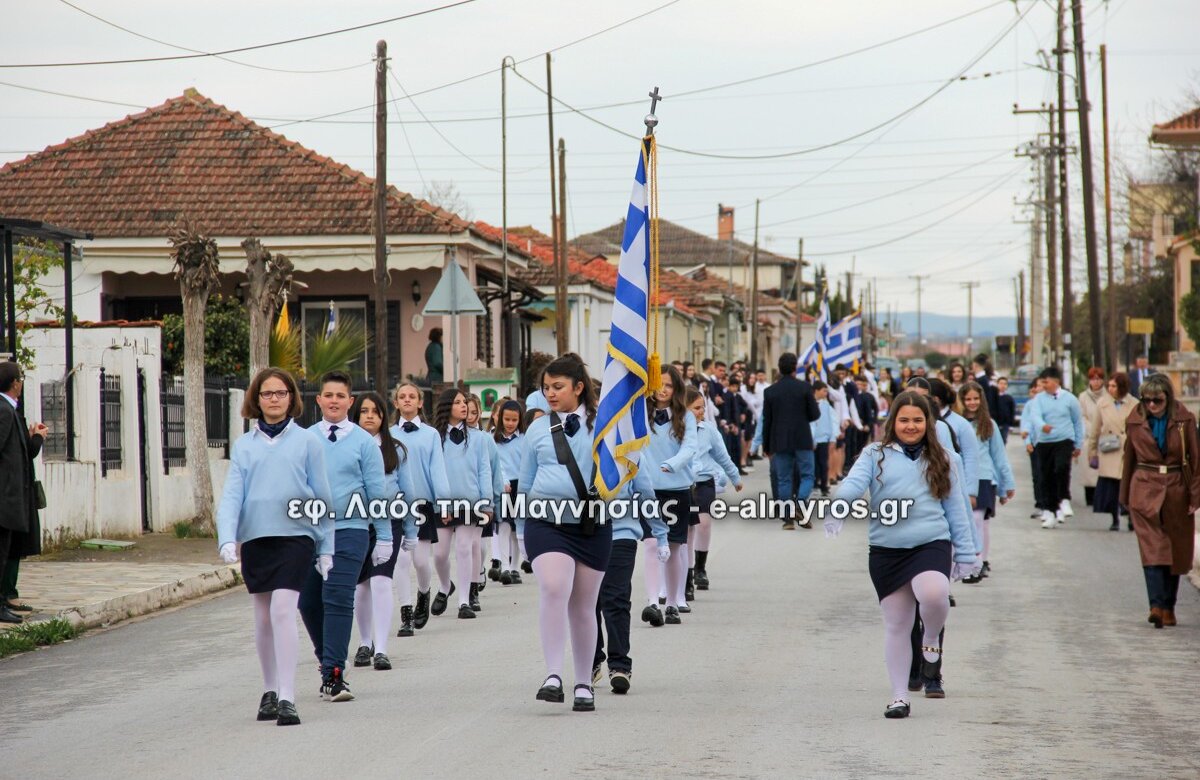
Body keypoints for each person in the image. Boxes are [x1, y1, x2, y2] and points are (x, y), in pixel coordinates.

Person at [831, 391, 978, 719]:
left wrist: (967, 554)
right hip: (887, 551)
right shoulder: (874, 454)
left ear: (929, 423)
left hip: (931, 543)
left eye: (917, 420)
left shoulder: (945, 459)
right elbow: (853, 484)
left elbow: (958, 512)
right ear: (892, 422)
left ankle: (930, 637)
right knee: (897, 624)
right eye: (904, 420)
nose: (911, 426)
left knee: (935, 594)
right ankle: (899, 696)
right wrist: (838, 507)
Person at [217, 367, 333, 726]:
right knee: (263, 617)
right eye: (267, 394)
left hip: (296, 537)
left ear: (291, 398)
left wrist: (326, 545)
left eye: (281, 393)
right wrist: (226, 537)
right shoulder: (244, 446)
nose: (274, 399)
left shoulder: (308, 442)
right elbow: (233, 494)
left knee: (284, 609)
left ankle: (287, 696)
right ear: (256, 399)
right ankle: (269, 690)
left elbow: (322, 495)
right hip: (256, 539)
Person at [520, 354, 613, 711]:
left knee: (584, 607)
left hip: (593, 522)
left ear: (579, 387)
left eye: (558, 387)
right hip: (546, 521)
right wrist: (517, 531)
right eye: (546, 388)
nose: (550, 394)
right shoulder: (537, 430)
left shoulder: (605, 425)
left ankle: (583, 683)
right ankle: (553, 675)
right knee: (555, 587)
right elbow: (526, 481)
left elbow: (624, 468)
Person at [298, 371, 391, 703]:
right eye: (328, 395)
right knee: (308, 601)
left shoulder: (364, 442)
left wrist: (383, 536)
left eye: (341, 396)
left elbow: (377, 490)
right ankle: (328, 655)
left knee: (337, 596)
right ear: (319, 400)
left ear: (350, 402)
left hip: (351, 529)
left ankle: (334, 676)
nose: (334, 401)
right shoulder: (304, 438)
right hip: (310, 530)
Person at [1118, 374, 1200, 628]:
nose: (1151, 405)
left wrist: (1195, 496)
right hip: (1144, 487)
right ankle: (1155, 605)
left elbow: (1196, 460)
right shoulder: (1134, 420)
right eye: (1147, 400)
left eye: (1157, 400)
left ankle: (1168, 607)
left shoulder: (1185, 420)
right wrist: (1124, 496)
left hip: (1176, 488)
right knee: (1152, 548)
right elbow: (1128, 458)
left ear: (1168, 397)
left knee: (1174, 549)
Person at [351, 392, 417, 672]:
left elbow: (409, 491)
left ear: (383, 417)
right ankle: (364, 642)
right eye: (364, 411)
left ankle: (381, 648)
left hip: (389, 522)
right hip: (354, 524)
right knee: (361, 586)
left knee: (380, 581)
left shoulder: (396, 449)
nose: (369, 416)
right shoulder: (346, 445)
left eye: (375, 412)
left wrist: (412, 529)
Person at [594, 459, 668, 695]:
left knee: (615, 597)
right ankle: (592, 658)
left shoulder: (631, 451)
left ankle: (619, 666)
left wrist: (661, 534)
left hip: (621, 532)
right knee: (588, 601)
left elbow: (646, 494)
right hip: (584, 535)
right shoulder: (579, 443)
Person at [390, 381, 451, 632]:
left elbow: (438, 470)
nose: (406, 400)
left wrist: (444, 503)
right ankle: (405, 616)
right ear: (395, 403)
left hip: (423, 505)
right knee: (400, 562)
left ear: (420, 402)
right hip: (396, 505)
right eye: (402, 396)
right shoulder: (388, 434)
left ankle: (424, 593)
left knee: (421, 561)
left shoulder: (431, 435)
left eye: (411, 396)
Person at [431, 388, 493, 619]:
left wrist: (487, 504)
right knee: (440, 554)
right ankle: (446, 586)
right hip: (442, 503)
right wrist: (442, 503)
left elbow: (484, 471)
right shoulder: (434, 437)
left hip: (471, 502)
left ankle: (464, 601)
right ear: (447, 407)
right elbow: (433, 472)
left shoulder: (479, 439)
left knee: (465, 548)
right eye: (458, 402)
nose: (464, 406)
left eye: (465, 402)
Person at [644, 365, 699, 624]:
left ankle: (675, 600)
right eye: (658, 384)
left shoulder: (685, 416)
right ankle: (653, 601)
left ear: (676, 389)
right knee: (652, 544)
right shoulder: (640, 412)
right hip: (647, 489)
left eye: (668, 385)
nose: (662, 390)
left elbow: (690, 448)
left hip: (676, 487)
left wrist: (673, 464)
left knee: (675, 547)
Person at [0, 363, 46, 625]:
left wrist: (33, 438)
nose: (22, 384)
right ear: (15, 383)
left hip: (13, 496)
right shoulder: (4, 411)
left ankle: (6, 598)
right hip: (6, 496)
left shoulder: (10, 409)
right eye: (21, 379)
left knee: (9, 549)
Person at [686, 388, 743, 595]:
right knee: (686, 530)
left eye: (703, 407)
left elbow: (722, 455)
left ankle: (700, 568)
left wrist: (735, 477)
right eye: (697, 408)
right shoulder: (674, 430)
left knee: (703, 523)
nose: (702, 411)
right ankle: (686, 574)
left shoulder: (708, 430)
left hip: (704, 482)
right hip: (682, 485)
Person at [957, 382, 1014, 583]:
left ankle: (978, 564)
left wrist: (1007, 485)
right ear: (961, 401)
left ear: (981, 401)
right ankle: (968, 562)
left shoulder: (988, 424)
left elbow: (999, 456)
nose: (972, 403)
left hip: (984, 478)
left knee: (978, 520)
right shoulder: (955, 423)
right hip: (961, 478)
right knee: (966, 523)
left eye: (975, 399)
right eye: (968, 399)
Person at [762, 352, 821, 530]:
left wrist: (766, 446)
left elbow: (768, 421)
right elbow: (815, 414)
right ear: (795, 367)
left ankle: (788, 519)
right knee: (808, 475)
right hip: (802, 438)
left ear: (779, 368)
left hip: (779, 440)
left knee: (784, 479)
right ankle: (800, 503)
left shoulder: (770, 391)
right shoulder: (804, 388)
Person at [1025, 367, 1085, 529]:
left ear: (1056, 381)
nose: (1044, 385)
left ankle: (1064, 499)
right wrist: (1042, 426)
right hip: (1044, 442)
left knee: (1061, 467)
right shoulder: (1038, 399)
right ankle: (1051, 511)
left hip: (1064, 439)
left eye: (1046, 381)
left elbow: (1077, 422)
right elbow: (1035, 416)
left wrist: (1078, 443)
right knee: (1046, 477)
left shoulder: (1070, 399)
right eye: (1042, 382)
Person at [1088, 372, 1135, 532]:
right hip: (1110, 449)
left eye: (1114, 386)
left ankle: (1130, 517)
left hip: (1129, 449)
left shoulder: (1134, 404)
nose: (1110, 389)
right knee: (1112, 488)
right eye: (1109, 385)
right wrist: (1092, 452)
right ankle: (1114, 518)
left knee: (1129, 486)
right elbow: (1095, 430)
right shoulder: (1102, 403)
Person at [492, 400, 526, 584]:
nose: (510, 423)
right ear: (500, 419)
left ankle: (514, 568)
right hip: (503, 486)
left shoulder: (524, 439)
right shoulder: (493, 439)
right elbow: (496, 464)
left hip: (521, 485)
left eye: (514, 420)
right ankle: (504, 566)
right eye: (507, 419)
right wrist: (502, 482)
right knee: (504, 526)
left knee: (517, 528)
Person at [1078, 367, 1106, 507]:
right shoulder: (1083, 397)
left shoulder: (1108, 395)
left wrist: (1103, 428)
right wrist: (1092, 429)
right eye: (1093, 379)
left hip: (1106, 436)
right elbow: (1081, 416)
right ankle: (1089, 497)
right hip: (1089, 437)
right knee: (1088, 468)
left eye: (1099, 379)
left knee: (1104, 469)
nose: (1096, 382)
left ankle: (1101, 498)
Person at [810, 381, 836, 497]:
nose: (826, 393)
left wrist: (832, 436)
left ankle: (824, 486)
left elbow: (831, 420)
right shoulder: (810, 404)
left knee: (823, 463)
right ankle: (814, 484)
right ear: (816, 390)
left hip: (823, 438)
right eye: (824, 390)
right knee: (813, 463)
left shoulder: (826, 405)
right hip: (812, 438)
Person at [993, 377, 1016, 441]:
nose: (1003, 386)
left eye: (1005, 384)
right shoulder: (993, 397)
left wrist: (1011, 425)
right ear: (997, 384)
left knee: (1003, 441)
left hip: (1005, 425)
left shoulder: (1009, 398)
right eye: (1001, 383)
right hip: (994, 424)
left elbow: (1012, 412)